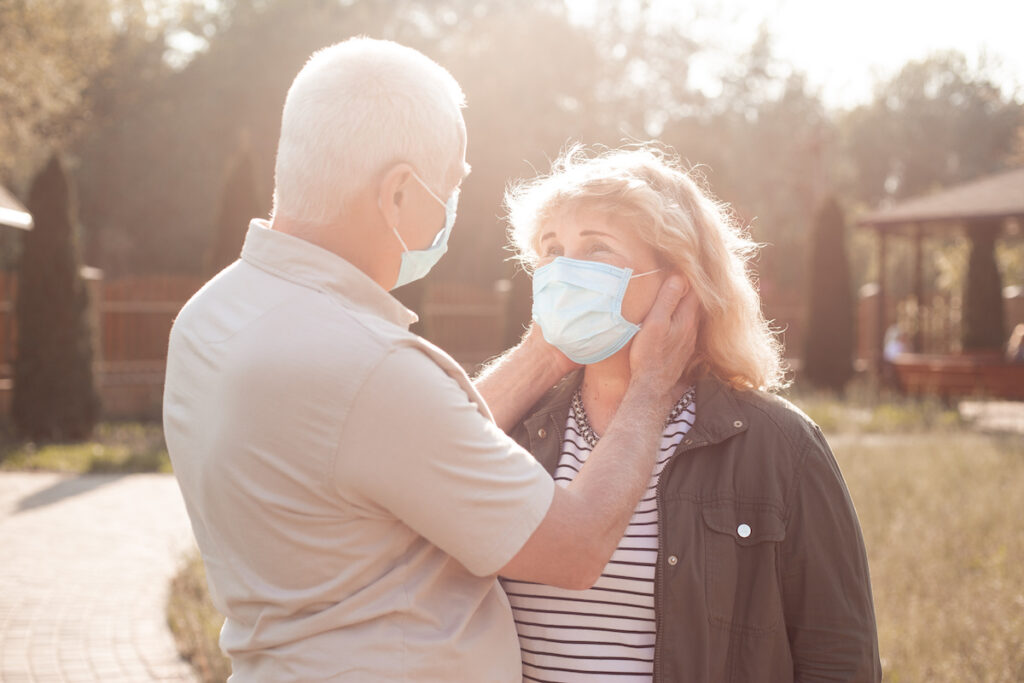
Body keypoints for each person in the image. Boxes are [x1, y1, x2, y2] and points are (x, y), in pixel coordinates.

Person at [163, 39, 696, 681]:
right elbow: (575, 546)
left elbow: (401, 449)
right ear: (397, 196)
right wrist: (652, 388)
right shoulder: (365, 366)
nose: (452, 207)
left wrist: (540, 355)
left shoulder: (209, 316)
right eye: (451, 186)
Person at [499, 145, 882, 682]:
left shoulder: (781, 445)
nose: (565, 271)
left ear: (679, 281)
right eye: (551, 248)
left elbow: (839, 656)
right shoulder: (514, 427)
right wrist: (537, 358)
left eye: (598, 248)